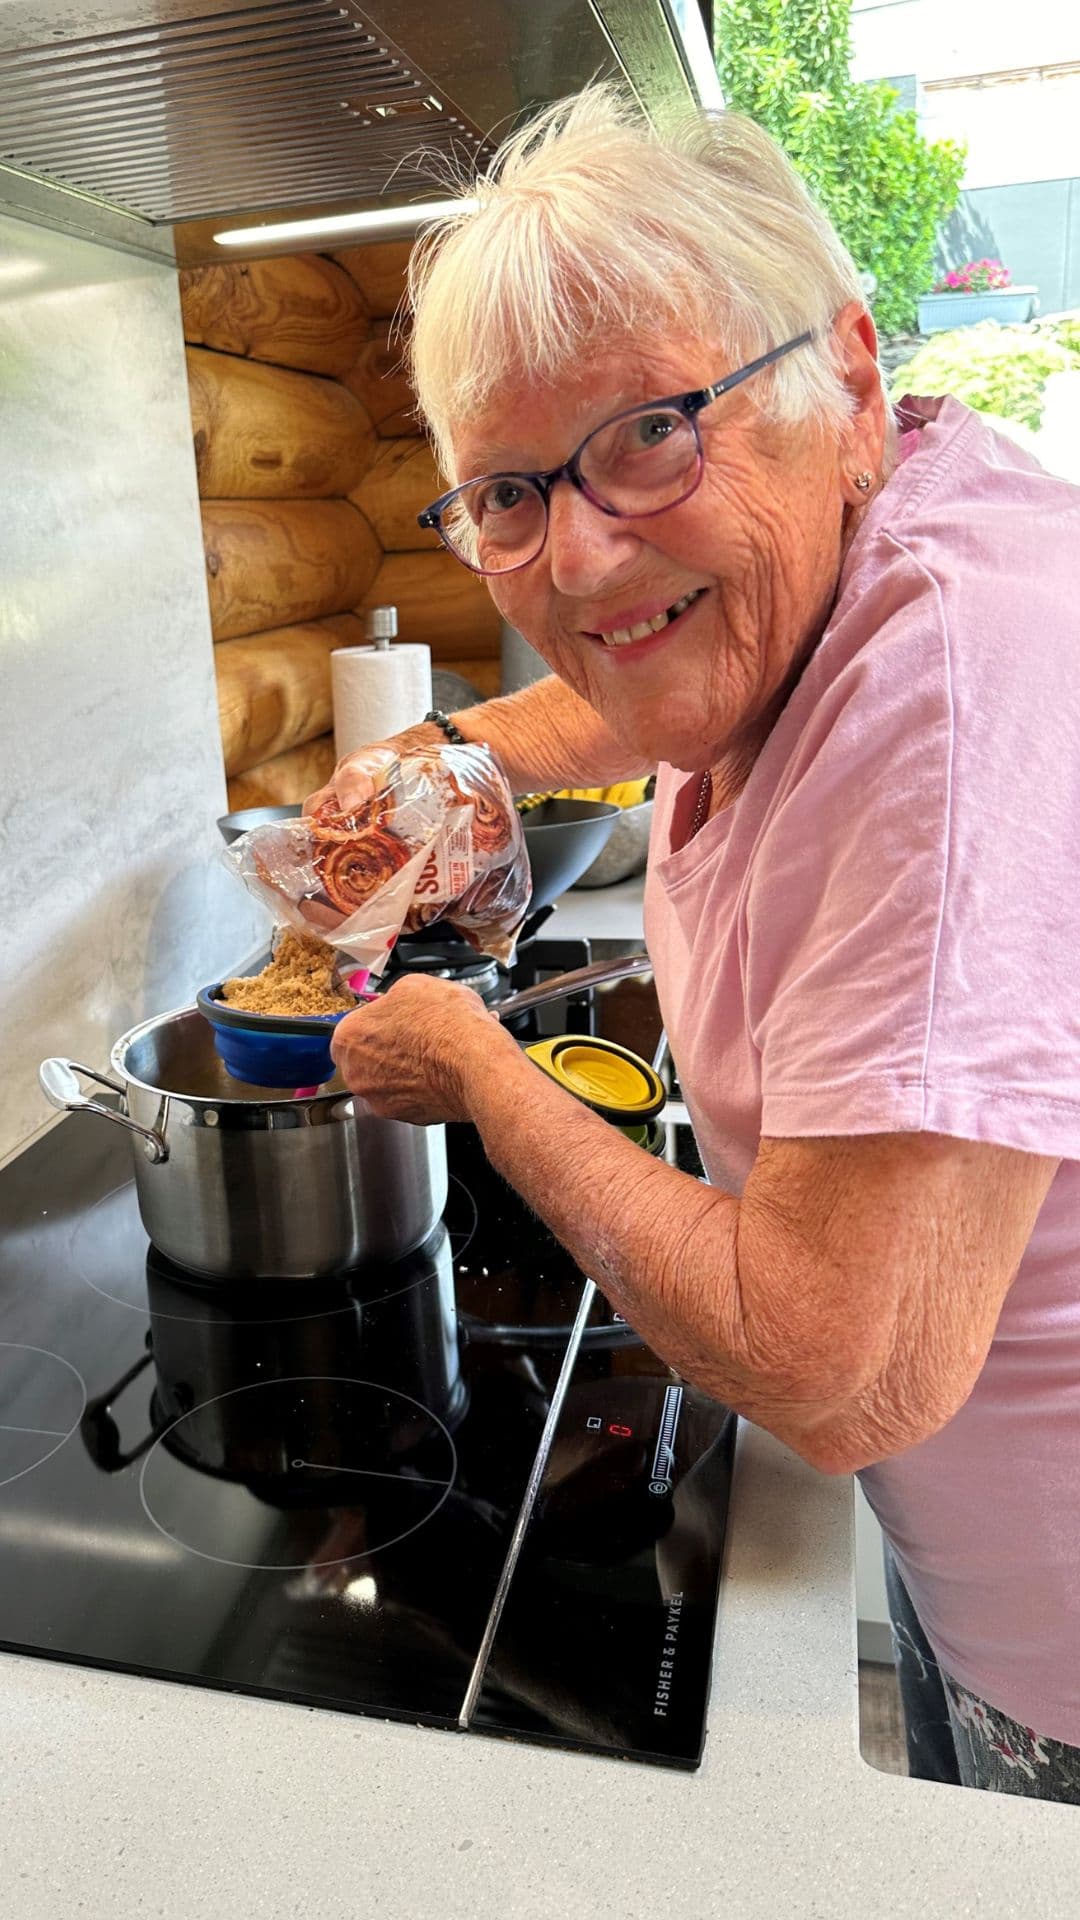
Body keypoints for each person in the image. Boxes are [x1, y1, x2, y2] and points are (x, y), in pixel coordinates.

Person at [307, 85, 1080, 1798]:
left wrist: (483, 1077)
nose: (576, 550)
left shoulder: (950, 692)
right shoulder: (854, 563)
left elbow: (840, 1369)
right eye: (505, 494)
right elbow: (643, 677)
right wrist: (456, 756)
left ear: (852, 382)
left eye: (653, 430)